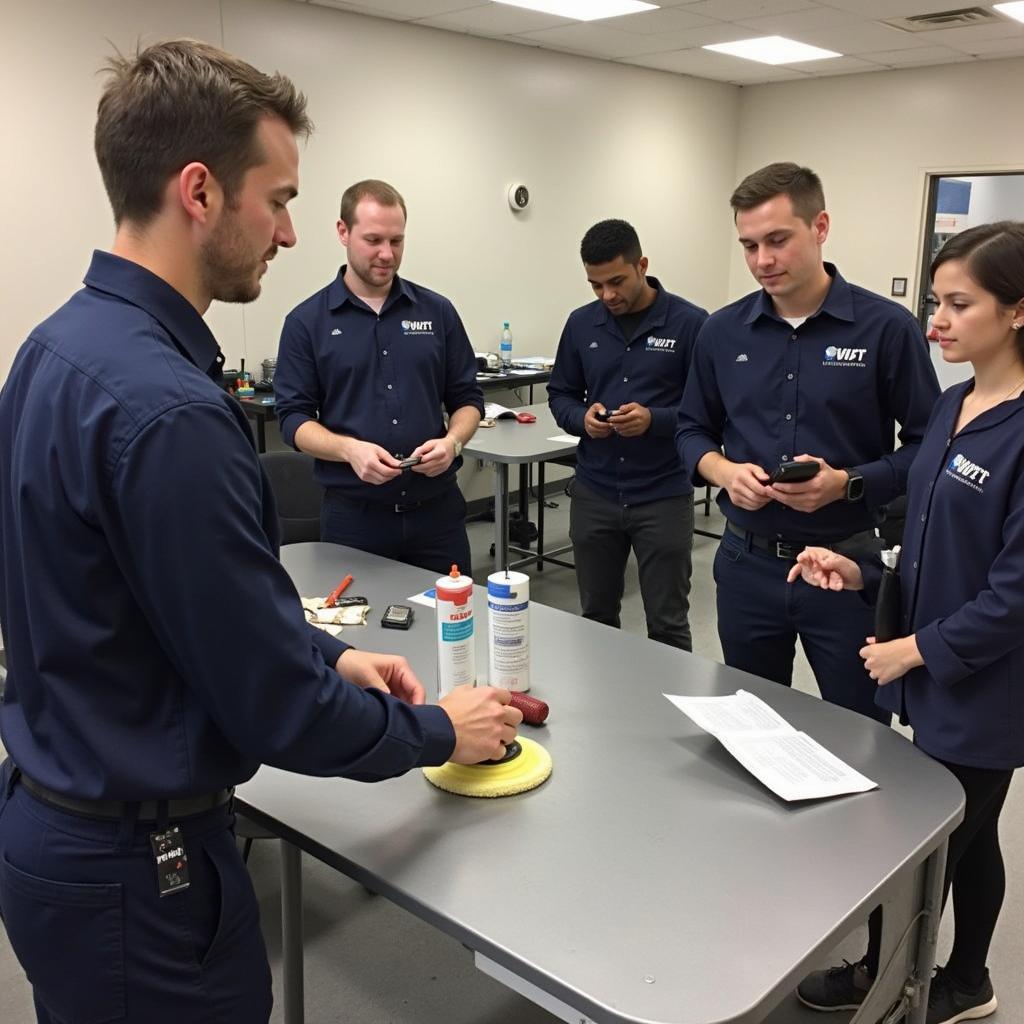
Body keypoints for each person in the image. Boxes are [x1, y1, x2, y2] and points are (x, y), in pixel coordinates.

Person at [0, 41, 519, 1024]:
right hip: (139, 872)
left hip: (51, 824)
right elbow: (280, 712)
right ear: (199, 191)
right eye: (276, 200)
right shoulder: (172, 413)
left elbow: (142, 602)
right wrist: (438, 730)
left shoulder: (54, 349)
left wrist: (324, 652)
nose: (287, 234)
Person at [791, 221, 1024, 1024]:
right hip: (935, 666)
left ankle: (884, 977)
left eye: (960, 304)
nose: (938, 321)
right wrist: (862, 571)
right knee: (971, 832)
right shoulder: (958, 402)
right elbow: (926, 542)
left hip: (988, 684)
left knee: (924, 847)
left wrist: (914, 651)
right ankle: (968, 980)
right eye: (935, 302)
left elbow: (1016, 593)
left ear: (1019, 311)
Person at [676, 162, 940, 721]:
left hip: (848, 567)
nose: (762, 261)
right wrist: (723, 473)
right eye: (749, 245)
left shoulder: (886, 329)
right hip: (746, 563)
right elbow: (690, 429)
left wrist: (849, 484)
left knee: (861, 731)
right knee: (752, 724)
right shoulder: (720, 332)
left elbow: (929, 447)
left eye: (777, 240)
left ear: (820, 227)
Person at [274, 179, 483, 575]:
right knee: (358, 629)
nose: (387, 254)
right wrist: (350, 450)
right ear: (343, 232)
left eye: (397, 241)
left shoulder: (437, 312)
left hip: (437, 517)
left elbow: (468, 399)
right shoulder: (307, 323)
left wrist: (453, 442)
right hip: (355, 519)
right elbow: (293, 419)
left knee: (452, 629)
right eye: (373, 240)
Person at [548, 219, 706, 649]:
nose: (607, 296)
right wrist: (584, 419)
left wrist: (653, 420)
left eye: (616, 281)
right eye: (595, 285)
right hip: (595, 493)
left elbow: (709, 414)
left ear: (642, 266)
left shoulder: (691, 324)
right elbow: (560, 394)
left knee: (668, 623)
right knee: (596, 618)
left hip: (662, 496)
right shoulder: (582, 324)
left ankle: (667, 714)